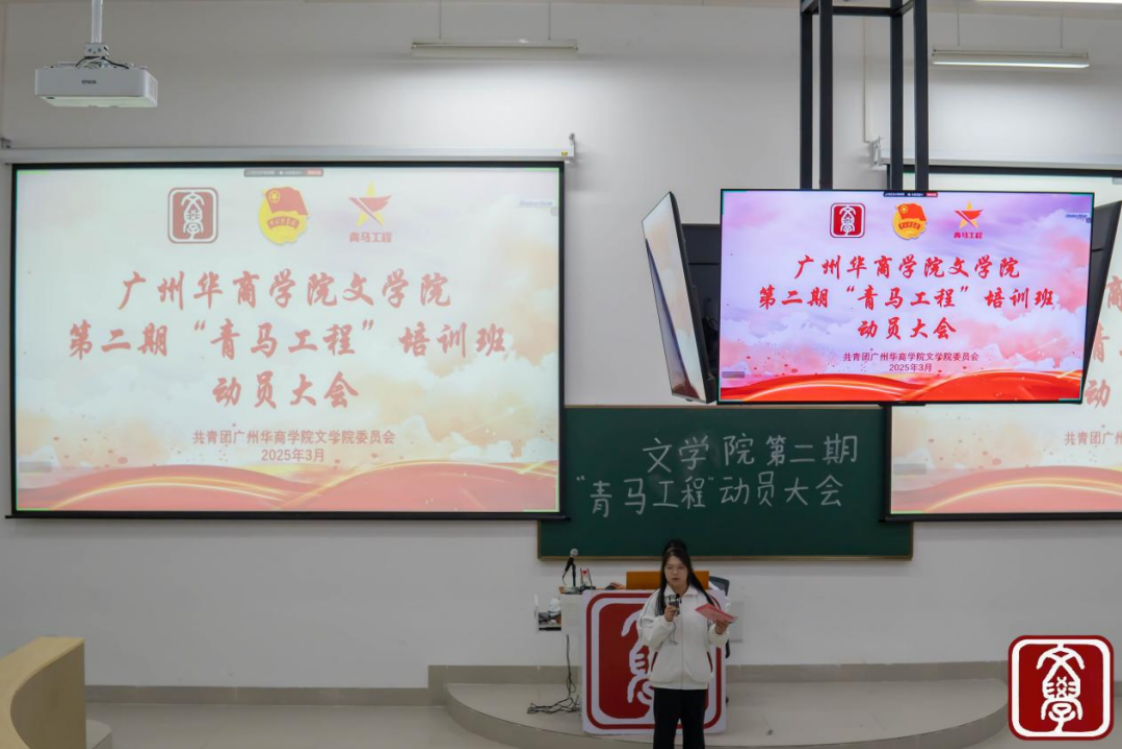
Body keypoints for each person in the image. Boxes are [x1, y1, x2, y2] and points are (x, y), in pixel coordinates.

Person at [639, 542, 730, 749]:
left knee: (695, 736)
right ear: (663, 570)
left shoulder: (704, 599)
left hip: (696, 681)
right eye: (670, 567)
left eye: (680, 567)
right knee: (663, 737)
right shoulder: (655, 600)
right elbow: (647, 638)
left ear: (688, 569)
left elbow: (716, 641)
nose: (675, 572)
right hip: (665, 681)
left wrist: (719, 631)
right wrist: (665, 621)